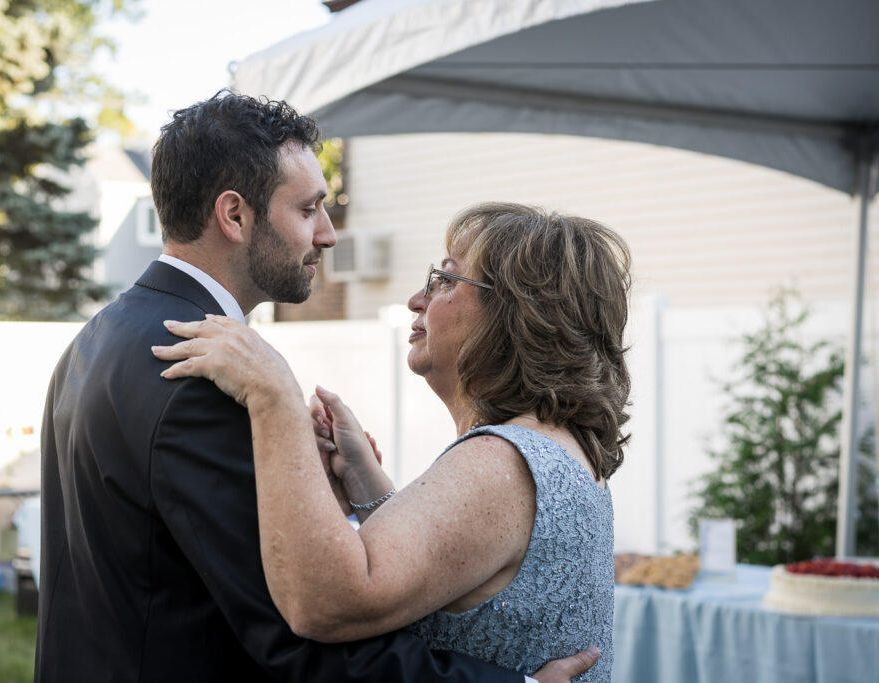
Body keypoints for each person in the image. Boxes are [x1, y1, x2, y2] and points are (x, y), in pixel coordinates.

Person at [36, 91, 597, 683]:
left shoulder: (100, 336)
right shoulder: (198, 375)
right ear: (234, 215)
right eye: (308, 210)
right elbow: (295, 634)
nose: (327, 235)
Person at [152, 202, 631, 681]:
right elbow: (460, 570)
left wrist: (274, 396)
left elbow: (323, 604)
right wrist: (365, 483)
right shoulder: (552, 448)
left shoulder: (500, 462)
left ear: (517, 313)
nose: (416, 300)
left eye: (446, 280)